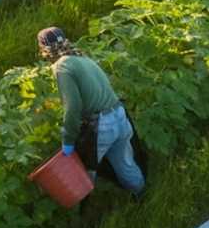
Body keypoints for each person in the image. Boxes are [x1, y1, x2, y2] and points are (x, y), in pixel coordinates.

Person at [38, 26, 144, 196]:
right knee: (126, 165)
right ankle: (143, 196)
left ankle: (85, 214)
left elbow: (72, 106)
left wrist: (68, 141)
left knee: (84, 173)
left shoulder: (61, 67)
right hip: (120, 115)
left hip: (102, 124)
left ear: (44, 50)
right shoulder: (83, 58)